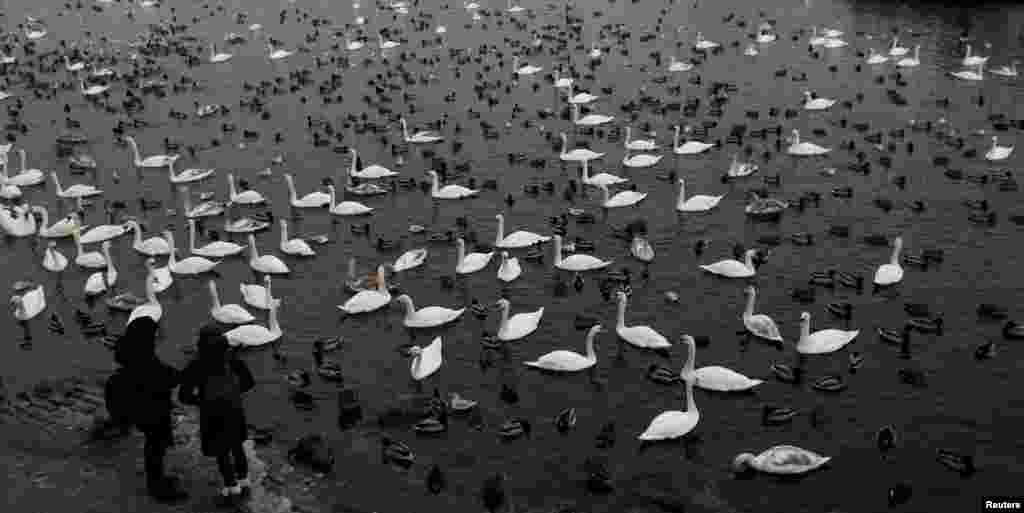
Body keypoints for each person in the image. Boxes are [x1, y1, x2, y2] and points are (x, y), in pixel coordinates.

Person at [112, 316, 189, 503]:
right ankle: (158, 488)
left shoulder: (131, 351)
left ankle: (157, 480)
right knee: (156, 447)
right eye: (154, 334)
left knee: (154, 446)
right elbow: (164, 376)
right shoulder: (144, 359)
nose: (156, 338)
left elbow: (158, 370)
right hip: (151, 410)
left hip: (140, 407)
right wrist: (185, 374)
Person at [178, 324, 255, 505]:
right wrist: (235, 392)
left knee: (222, 452)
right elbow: (249, 382)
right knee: (237, 446)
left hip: (212, 413)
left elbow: (184, 396)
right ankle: (244, 483)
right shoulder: (231, 357)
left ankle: (232, 490)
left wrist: (201, 401)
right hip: (235, 409)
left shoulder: (196, 363)